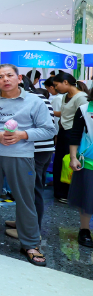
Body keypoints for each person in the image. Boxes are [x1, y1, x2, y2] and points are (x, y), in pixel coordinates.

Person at [0, 64, 56, 267]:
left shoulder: (34, 101)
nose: (5, 80)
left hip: (21, 156)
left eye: (9, 75)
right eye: (0, 77)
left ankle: (30, 243)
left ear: (19, 78)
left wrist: (23, 134)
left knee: (26, 199)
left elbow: (49, 129)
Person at [5, 76, 58, 239]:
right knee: (26, 189)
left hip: (34, 150)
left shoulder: (31, 99)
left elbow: (44, 128)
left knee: (32, 190)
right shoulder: (37, 97)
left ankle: (31, 230)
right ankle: (23, 222)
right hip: (40, 150)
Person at [52, 72, 88, 203]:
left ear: (66, 82)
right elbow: (64, 113)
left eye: (57, 85)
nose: (56, 88)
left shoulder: (81, 97)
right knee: (59, 162)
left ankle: (68, 193)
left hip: (72, 133)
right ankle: (60, 192)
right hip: (63, 132)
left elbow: (84, 118)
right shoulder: (65, 96)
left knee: (69, 163)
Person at [66, 92, 93, 248]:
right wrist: (73, 157)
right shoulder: (84, 109)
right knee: (87, 197)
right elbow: (75, 134)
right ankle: (84, 230)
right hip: (89, 161)